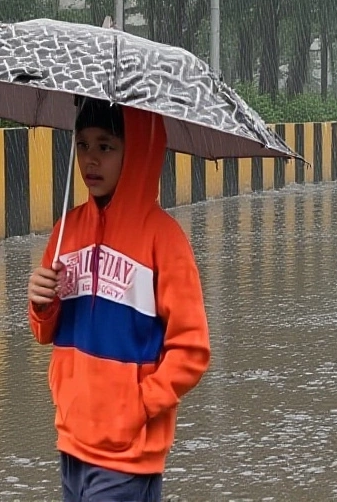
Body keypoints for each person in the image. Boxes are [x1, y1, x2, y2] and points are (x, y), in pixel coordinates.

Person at [27, 98, 211, 502]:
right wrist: (42, 304)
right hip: (72, 438)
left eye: (105, 146)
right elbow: (46, 332)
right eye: (83, 145)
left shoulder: (164, 239)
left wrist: (138, 405)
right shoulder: (66, 230)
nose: (90, 159)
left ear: (138, 151)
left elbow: (192, 349)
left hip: (129, 454)